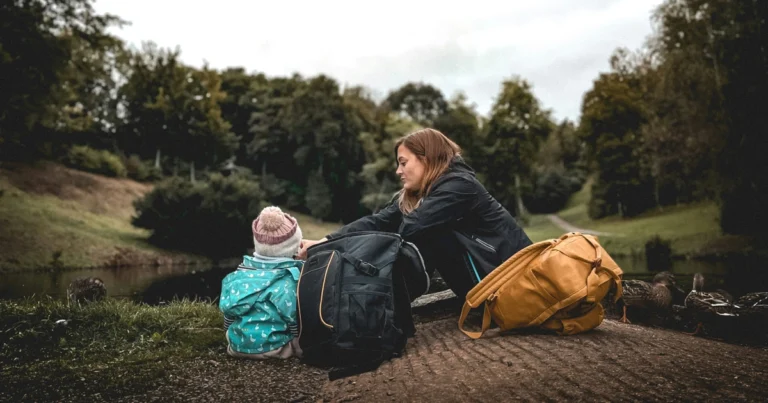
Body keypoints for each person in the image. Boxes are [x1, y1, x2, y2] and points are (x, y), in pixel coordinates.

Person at [298, 128, 533, 299]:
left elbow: (409, 229)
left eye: (403, 162)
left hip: (512, 284)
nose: (398, 171)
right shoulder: (427, 193)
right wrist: (324, 243)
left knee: (419, 238)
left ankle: (373, 308)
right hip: (490, 283)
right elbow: (378, 221)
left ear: (425, 159)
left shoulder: (459, 186)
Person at [219, 206, 303, 359]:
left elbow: (229, 314)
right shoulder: (287, 281)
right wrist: (298, 340)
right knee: (300, 339)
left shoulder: (239, 275)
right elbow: (293, 321)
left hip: (236, 347)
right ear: (294, 249)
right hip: (275, 349)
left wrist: (228, 333)